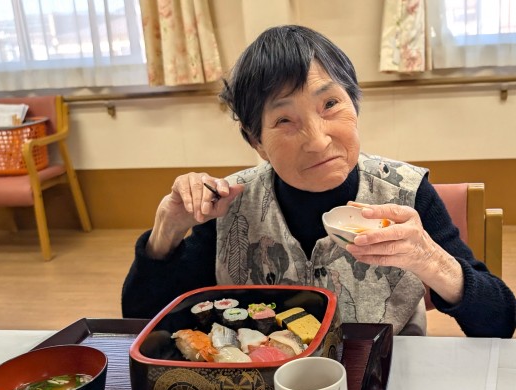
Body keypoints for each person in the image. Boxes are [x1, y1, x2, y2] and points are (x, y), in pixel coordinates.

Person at [122, 25, 516, 338]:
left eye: (330, 104)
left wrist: (430, 260)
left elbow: (500, 321)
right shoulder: (229, 206)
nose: (318, 141)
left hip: (387, 377)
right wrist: (166, 231)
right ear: (256, 141)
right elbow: (142, 321)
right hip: (264, 387)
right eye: (284, 120)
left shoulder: (406, 193)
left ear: (354, 105)